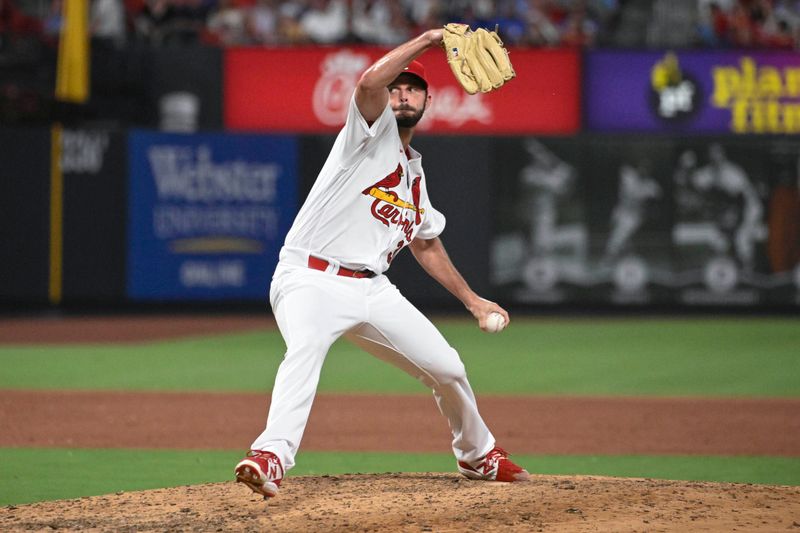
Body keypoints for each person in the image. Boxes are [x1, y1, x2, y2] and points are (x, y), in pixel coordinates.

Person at [234, 28, 529, 499]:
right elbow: (370, 83)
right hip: (311, 276)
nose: (403, 94)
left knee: (448, 368)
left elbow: (426, 244)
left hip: (372, 289)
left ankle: (478, 455)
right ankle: (271, 454)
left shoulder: (413, 172)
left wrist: (473, 302)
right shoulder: (367, 134)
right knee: (305, 348)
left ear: (428, 101)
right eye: (398, 88)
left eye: (413, 89)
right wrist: (430, 38)